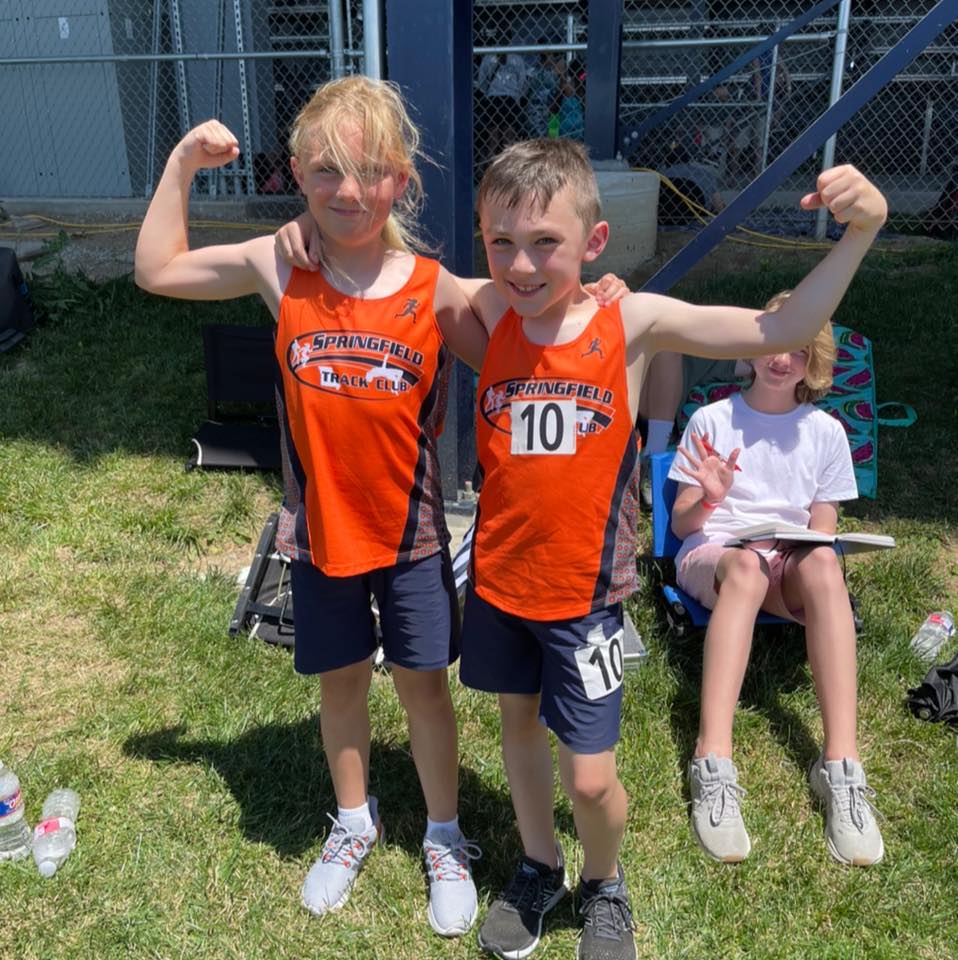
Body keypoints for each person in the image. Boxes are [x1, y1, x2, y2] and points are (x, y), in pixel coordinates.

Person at [139, 77, 626, 938]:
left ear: (401, 179)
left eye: (369, 170)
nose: (348, 190)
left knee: (423, 690)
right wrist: (181, 162)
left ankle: (444, 836)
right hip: (320, 535)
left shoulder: (435, 289)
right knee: (342, 685)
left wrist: (593, 294)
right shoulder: (279, 265)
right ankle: (353, 820)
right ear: (298, 173)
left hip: (412, 540)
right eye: (326, 170)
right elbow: (156, 270)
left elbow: (531, 328)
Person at [458, 143, 885, 960]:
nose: (520, 264)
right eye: (500, 242)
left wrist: (862, 232)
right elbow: (384, 274)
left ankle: (604, 880)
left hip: (586, 600)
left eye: (545, 242)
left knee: (591, 777)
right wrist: (310, 235)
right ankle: (540, 864)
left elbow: (782, 328)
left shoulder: (630, 320)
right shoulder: (487, 309)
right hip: (501, 589)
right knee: (518, 732)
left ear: (594, 241)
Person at [668, 294, 884, 868]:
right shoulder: (714, 420)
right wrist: (710, 496)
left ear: (814, 363)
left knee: (824, 563)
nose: (782, 359)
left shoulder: (826, 432)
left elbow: (821, 531)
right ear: (752, 346)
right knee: (746, 567)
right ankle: (712, 761)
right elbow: (682, 524)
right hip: (718, 554)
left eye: (798, 349)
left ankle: (841, 768)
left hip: (784, 561)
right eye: (774, 342)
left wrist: (807, 554)